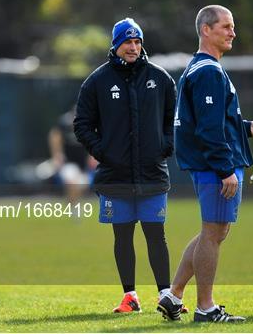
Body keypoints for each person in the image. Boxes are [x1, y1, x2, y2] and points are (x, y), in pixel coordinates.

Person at [156, 5, 253, 323]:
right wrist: (225, 169)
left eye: (232, 26)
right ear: (206, 30)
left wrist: (247, 127)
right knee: (213, 232)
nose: (233, 32)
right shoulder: (208, 71)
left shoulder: (201, 68)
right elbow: (208, 130)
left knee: (213, 231)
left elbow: (216, 121)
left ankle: (173, 294)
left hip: (211, 163)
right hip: (214, 167)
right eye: (226, 26)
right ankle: (205, 308)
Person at [74, 18, 180, 313]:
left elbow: (174, 117)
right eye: (127, 42)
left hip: (152, 173)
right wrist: (102, 151)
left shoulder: (160, 78)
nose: (133, 47)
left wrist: (165, 146)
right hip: (114, 174)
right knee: (122, 236)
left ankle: (166, 294)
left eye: (137, 42)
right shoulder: (97, 81)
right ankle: (130, 296)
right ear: (116, 45)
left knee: (155, 234)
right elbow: (81, 124)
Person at [46, 106, 96, 203]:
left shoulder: (89, 124)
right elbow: (54, 135)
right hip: (68, 162)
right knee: (72, 182)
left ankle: (72, 203)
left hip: (84, 166)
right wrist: (57, 154)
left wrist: (93, 155)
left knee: (81, 187)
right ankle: (74, 209)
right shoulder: (64, 123)